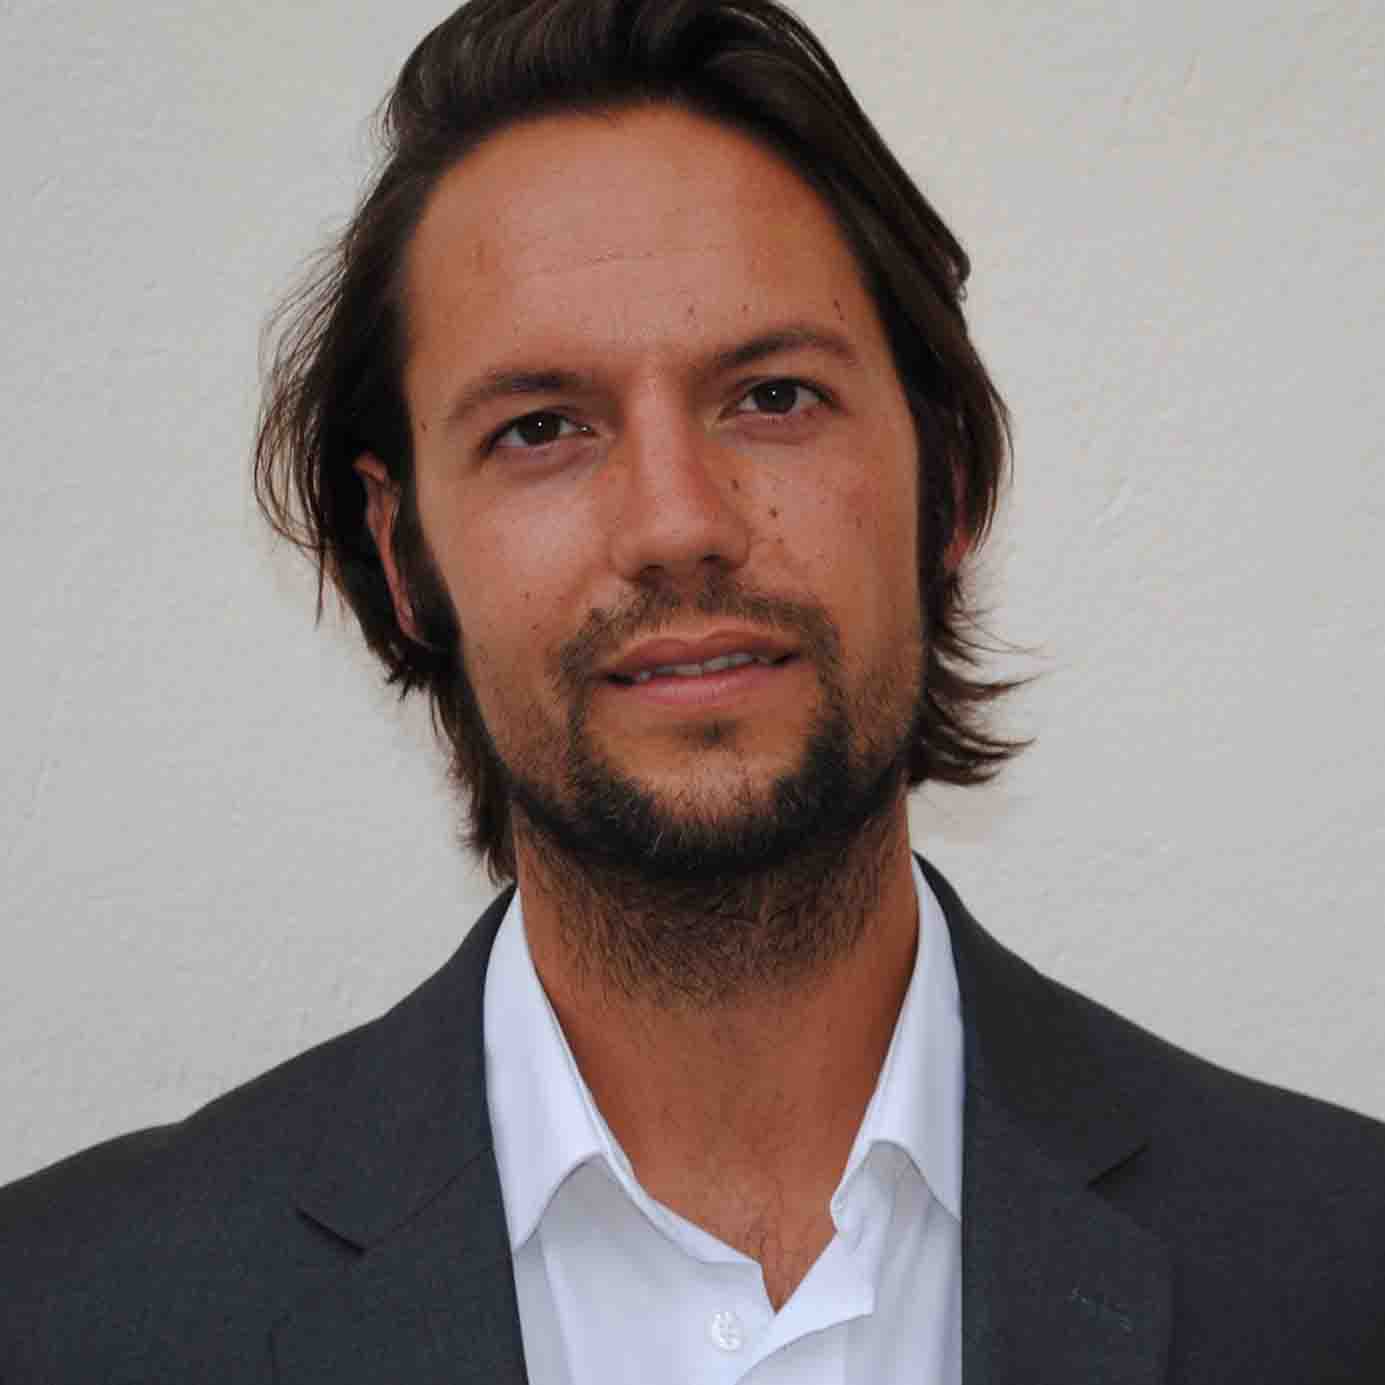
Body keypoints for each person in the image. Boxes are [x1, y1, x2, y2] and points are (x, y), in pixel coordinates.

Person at [2, 0, 1381, 1379]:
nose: (677, 523)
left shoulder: (1345, 1269)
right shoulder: (66, 1315)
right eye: (540, 427)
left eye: (772, 397)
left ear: (947, 483)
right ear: (403, 551)